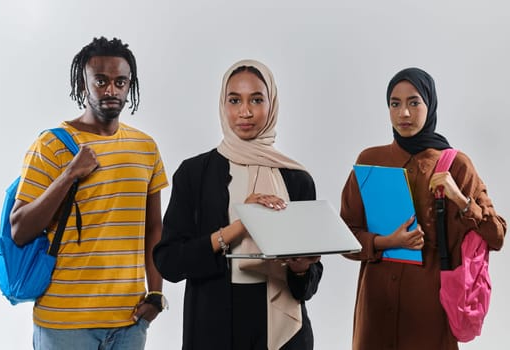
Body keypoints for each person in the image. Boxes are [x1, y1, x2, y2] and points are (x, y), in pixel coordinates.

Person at [10, 36, 169, 349]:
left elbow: (153, 227)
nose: (111, 90)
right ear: (83, 86)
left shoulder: (145, 148)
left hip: (129, 322)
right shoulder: (51, 145)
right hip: (64, 324)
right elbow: (20, 229)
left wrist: (155, 294)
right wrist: (69, 174)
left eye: (120, 81)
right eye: (100, 81)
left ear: (130, 86)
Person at [153, 59, 323, 350]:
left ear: (272, 104)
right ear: (223, 103)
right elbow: (170, 263)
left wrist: (299, 268)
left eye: (256, 99)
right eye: (235, 100)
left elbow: (307, 286)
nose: (245, 111)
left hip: (282, 331)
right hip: (212, 325)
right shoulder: (195, 174)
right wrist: (239, 228)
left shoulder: (296, 179)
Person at [340, 67, 506, 350]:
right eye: (395, 103)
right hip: (376, 311)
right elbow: (344, 236)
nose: (404, 113)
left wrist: (461, 200)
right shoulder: (370, 161)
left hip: (430, 312)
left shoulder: (456, 165)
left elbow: (497, 235)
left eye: (414, 102)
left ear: (430, 104)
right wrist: (386, 242)